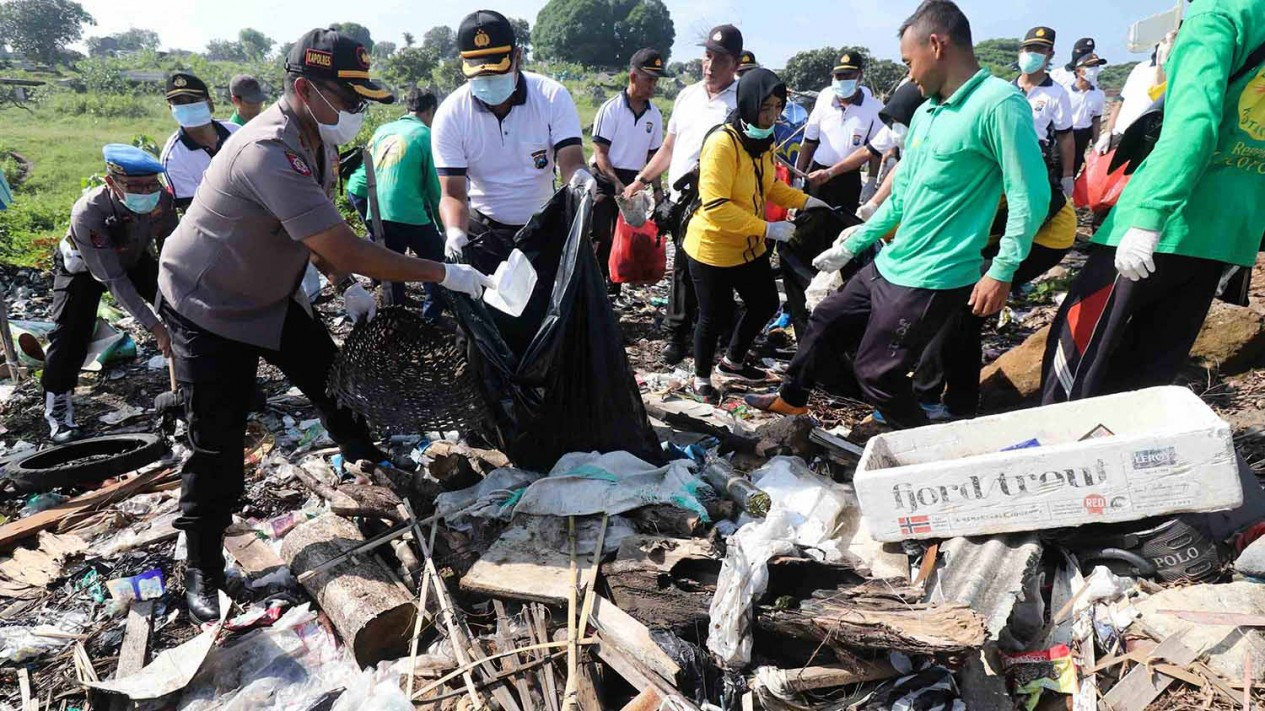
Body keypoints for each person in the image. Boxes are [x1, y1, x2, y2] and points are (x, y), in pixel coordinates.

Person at [158, 28, 493, 623]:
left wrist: (344, 288)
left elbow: (307, 229)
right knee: (216, 440)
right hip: (206, 306)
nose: (358, 111)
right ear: (304, 89)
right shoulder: (267, 148)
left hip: (268, 294)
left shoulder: (314, 142)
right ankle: (202, 570)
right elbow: (340, 242)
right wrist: (444, 273)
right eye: (349, 96)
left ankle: (370, 464)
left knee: (335, 379)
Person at [746, 0, 1049, 431]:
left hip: (934, 274)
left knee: (878, 371)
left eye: (909, 62)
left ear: (937, 45)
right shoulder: (927, 113)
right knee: (828, 318)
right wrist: (854, 240)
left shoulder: (998, 104)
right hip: (894, 262)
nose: (909, 74)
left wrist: (1002, 270)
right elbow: (902, 197)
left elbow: (1029, 194)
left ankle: (922, 450)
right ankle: (792, 399)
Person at [1041, 0, 1265, 404]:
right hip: (1229, 230)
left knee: (1075, 361)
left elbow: (1195, 123)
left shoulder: (1218, 13)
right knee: (1148, 375)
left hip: (1167, 222)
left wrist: (1149, 215)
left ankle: (1054, 456)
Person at [684, 68, 827, 401]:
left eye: (778, 108)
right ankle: (701, 378)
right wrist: (769, 228)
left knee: (763, 303)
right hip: (713, 247)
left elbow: (771, 185)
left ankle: (732, 362)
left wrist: (807, 200)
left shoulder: (763, 140)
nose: (772, 116)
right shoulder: (722, 143)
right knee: (712, 316)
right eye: (766, 108)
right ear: (748, 105)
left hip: (748, 246)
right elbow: (717, 205)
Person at [433, 9, 588, 276]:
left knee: (546, 310)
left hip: (542, 227)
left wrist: (581, 181)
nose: (488, 81)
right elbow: (453, 193)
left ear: (517, 56)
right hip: (484, 230)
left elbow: (571, 163)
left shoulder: (551, 97)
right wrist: (455, 233)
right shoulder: (451, 114)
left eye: (496, 71)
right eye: (479, 74)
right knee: (492, 311)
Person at [623, 24, 742, 366]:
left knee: (711, 271)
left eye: (719, 59)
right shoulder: (687, 96)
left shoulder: (741, 103)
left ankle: (715, 331)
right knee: (683, 270)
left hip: (715, 202)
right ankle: (678, 335)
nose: (710, 65)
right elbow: (669, 147)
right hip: (681, 204)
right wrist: (641, 181)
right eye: (707, 56)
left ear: (734, 63)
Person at [42, 145, 176, 443]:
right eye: (135, 186)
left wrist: (172, 301)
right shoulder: (89, 213)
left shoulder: (162, 200)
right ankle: (58, 410)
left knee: (178, 307)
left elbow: (172, 246)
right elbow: (113, 279)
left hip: (135, 256)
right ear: (110, 182)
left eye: (151, 184)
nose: (146, 191)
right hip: (85, 269)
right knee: (70, 336)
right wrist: (155, 328)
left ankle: (193, 374)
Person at [345, 87, 445, 316]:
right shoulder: (426, 135)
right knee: (436, 264)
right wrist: (443, 228)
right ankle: (430, 318)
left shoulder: (383, 130)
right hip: (408, 212)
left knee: (392, 265)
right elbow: (434, 189)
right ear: (431, 111)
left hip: (378, 211)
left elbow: (367, 170)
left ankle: (397, 318)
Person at [589, 48, 667, 297]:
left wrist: (658, 191)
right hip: (605, 176)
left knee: (627, 235)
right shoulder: (611, 109)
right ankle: (595, 284)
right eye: (649, 79)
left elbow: (653, 158)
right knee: (600, 232)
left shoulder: (654, 115)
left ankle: (615, 285)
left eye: (656, 80)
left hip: (634, 179)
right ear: (633, 77)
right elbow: (600, 153)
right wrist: (615, 183)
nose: (653, 85)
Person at [796, 52, 883, 213]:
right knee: (810, 225)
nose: (842, 80)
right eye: (838, 76)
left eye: (847, 75)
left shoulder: (873, 109)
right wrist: (797, 177)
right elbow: (808, 143)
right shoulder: (824, 102)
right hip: (817, 175)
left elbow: (875, 151)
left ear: (860, 76)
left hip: (848, 179)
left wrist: (871, 180)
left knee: (842, 227)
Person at [160, 72, 240, 209]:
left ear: (209, 103)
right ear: (171, 109)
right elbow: (194, 209)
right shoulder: (173, 157)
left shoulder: (237, 133)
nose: (186, 107)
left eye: (193, 101)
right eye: (178, 103)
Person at [1016, 27, 1076, 201]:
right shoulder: (1006, 89)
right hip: (1003, 160)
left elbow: (1065, 136)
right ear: (1021, 52)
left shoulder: (1057, 93)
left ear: (1050, 54)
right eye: (1029, 49)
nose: (1033, 54)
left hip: (1036, 161)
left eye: (1040, 50)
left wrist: (1068, 174)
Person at [1051, 38, 1106, 175]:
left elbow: (1096, 119)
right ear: (1079, 70)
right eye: (1090, 66)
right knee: (1056, 167)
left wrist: (1095, 143)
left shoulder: (1098, 94)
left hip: (1083, 135)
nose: (1094, 70)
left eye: (1096, 66)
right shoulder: (1065, 92)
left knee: (1073, 169)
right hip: (1064, 133)